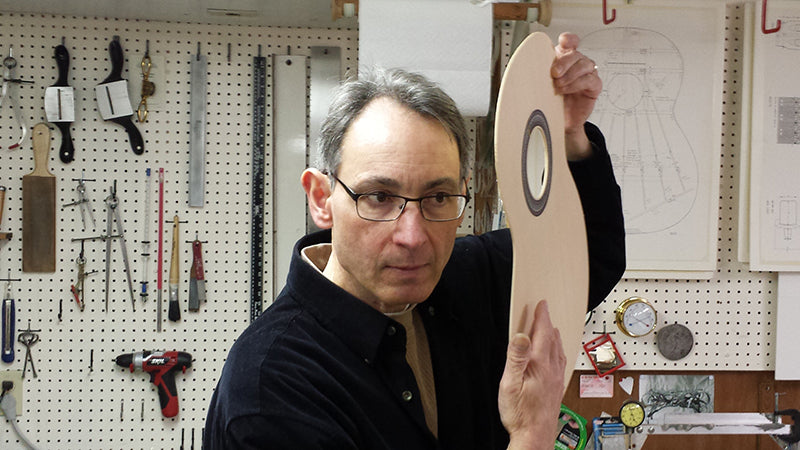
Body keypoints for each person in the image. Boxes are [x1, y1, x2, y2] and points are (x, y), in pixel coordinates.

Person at [204, 32, 625, 450]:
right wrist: (532, 433)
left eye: (438, 197)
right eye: (379, 198)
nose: (413, 237)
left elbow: (587, 255)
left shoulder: (462, 280)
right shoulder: (272, 391)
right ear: (321, 199)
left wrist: (569, 136)